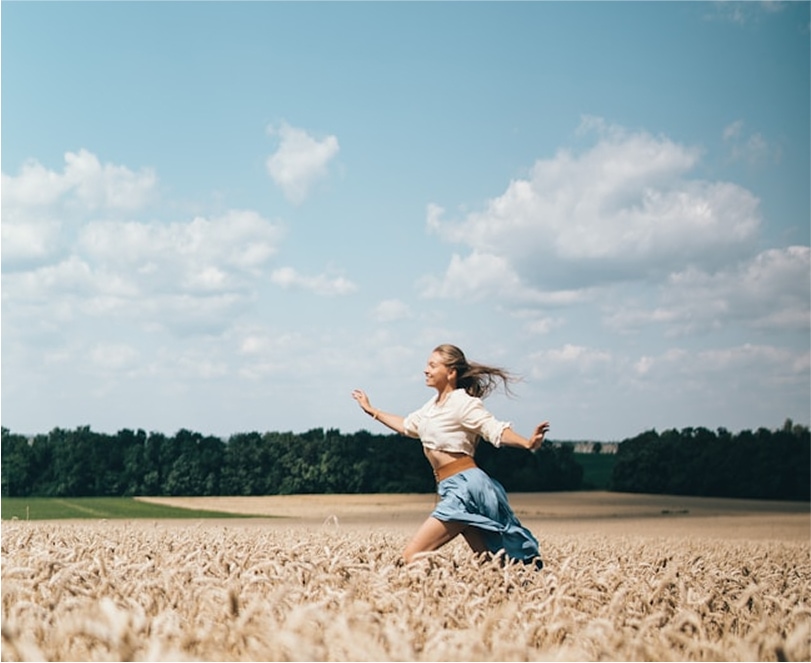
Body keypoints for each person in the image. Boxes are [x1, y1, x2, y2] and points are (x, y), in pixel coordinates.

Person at [351, 343, 549, 568]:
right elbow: (406, 426)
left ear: (451, 372)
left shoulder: (463, 403)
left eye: (433, 365)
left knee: (410, 557)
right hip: (452, 486)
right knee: (492, 566)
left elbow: (493, 428)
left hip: (466, 488)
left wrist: (527, 443)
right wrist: (372, 411)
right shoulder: (430, 408)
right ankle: (517, 594)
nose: (426, 370)